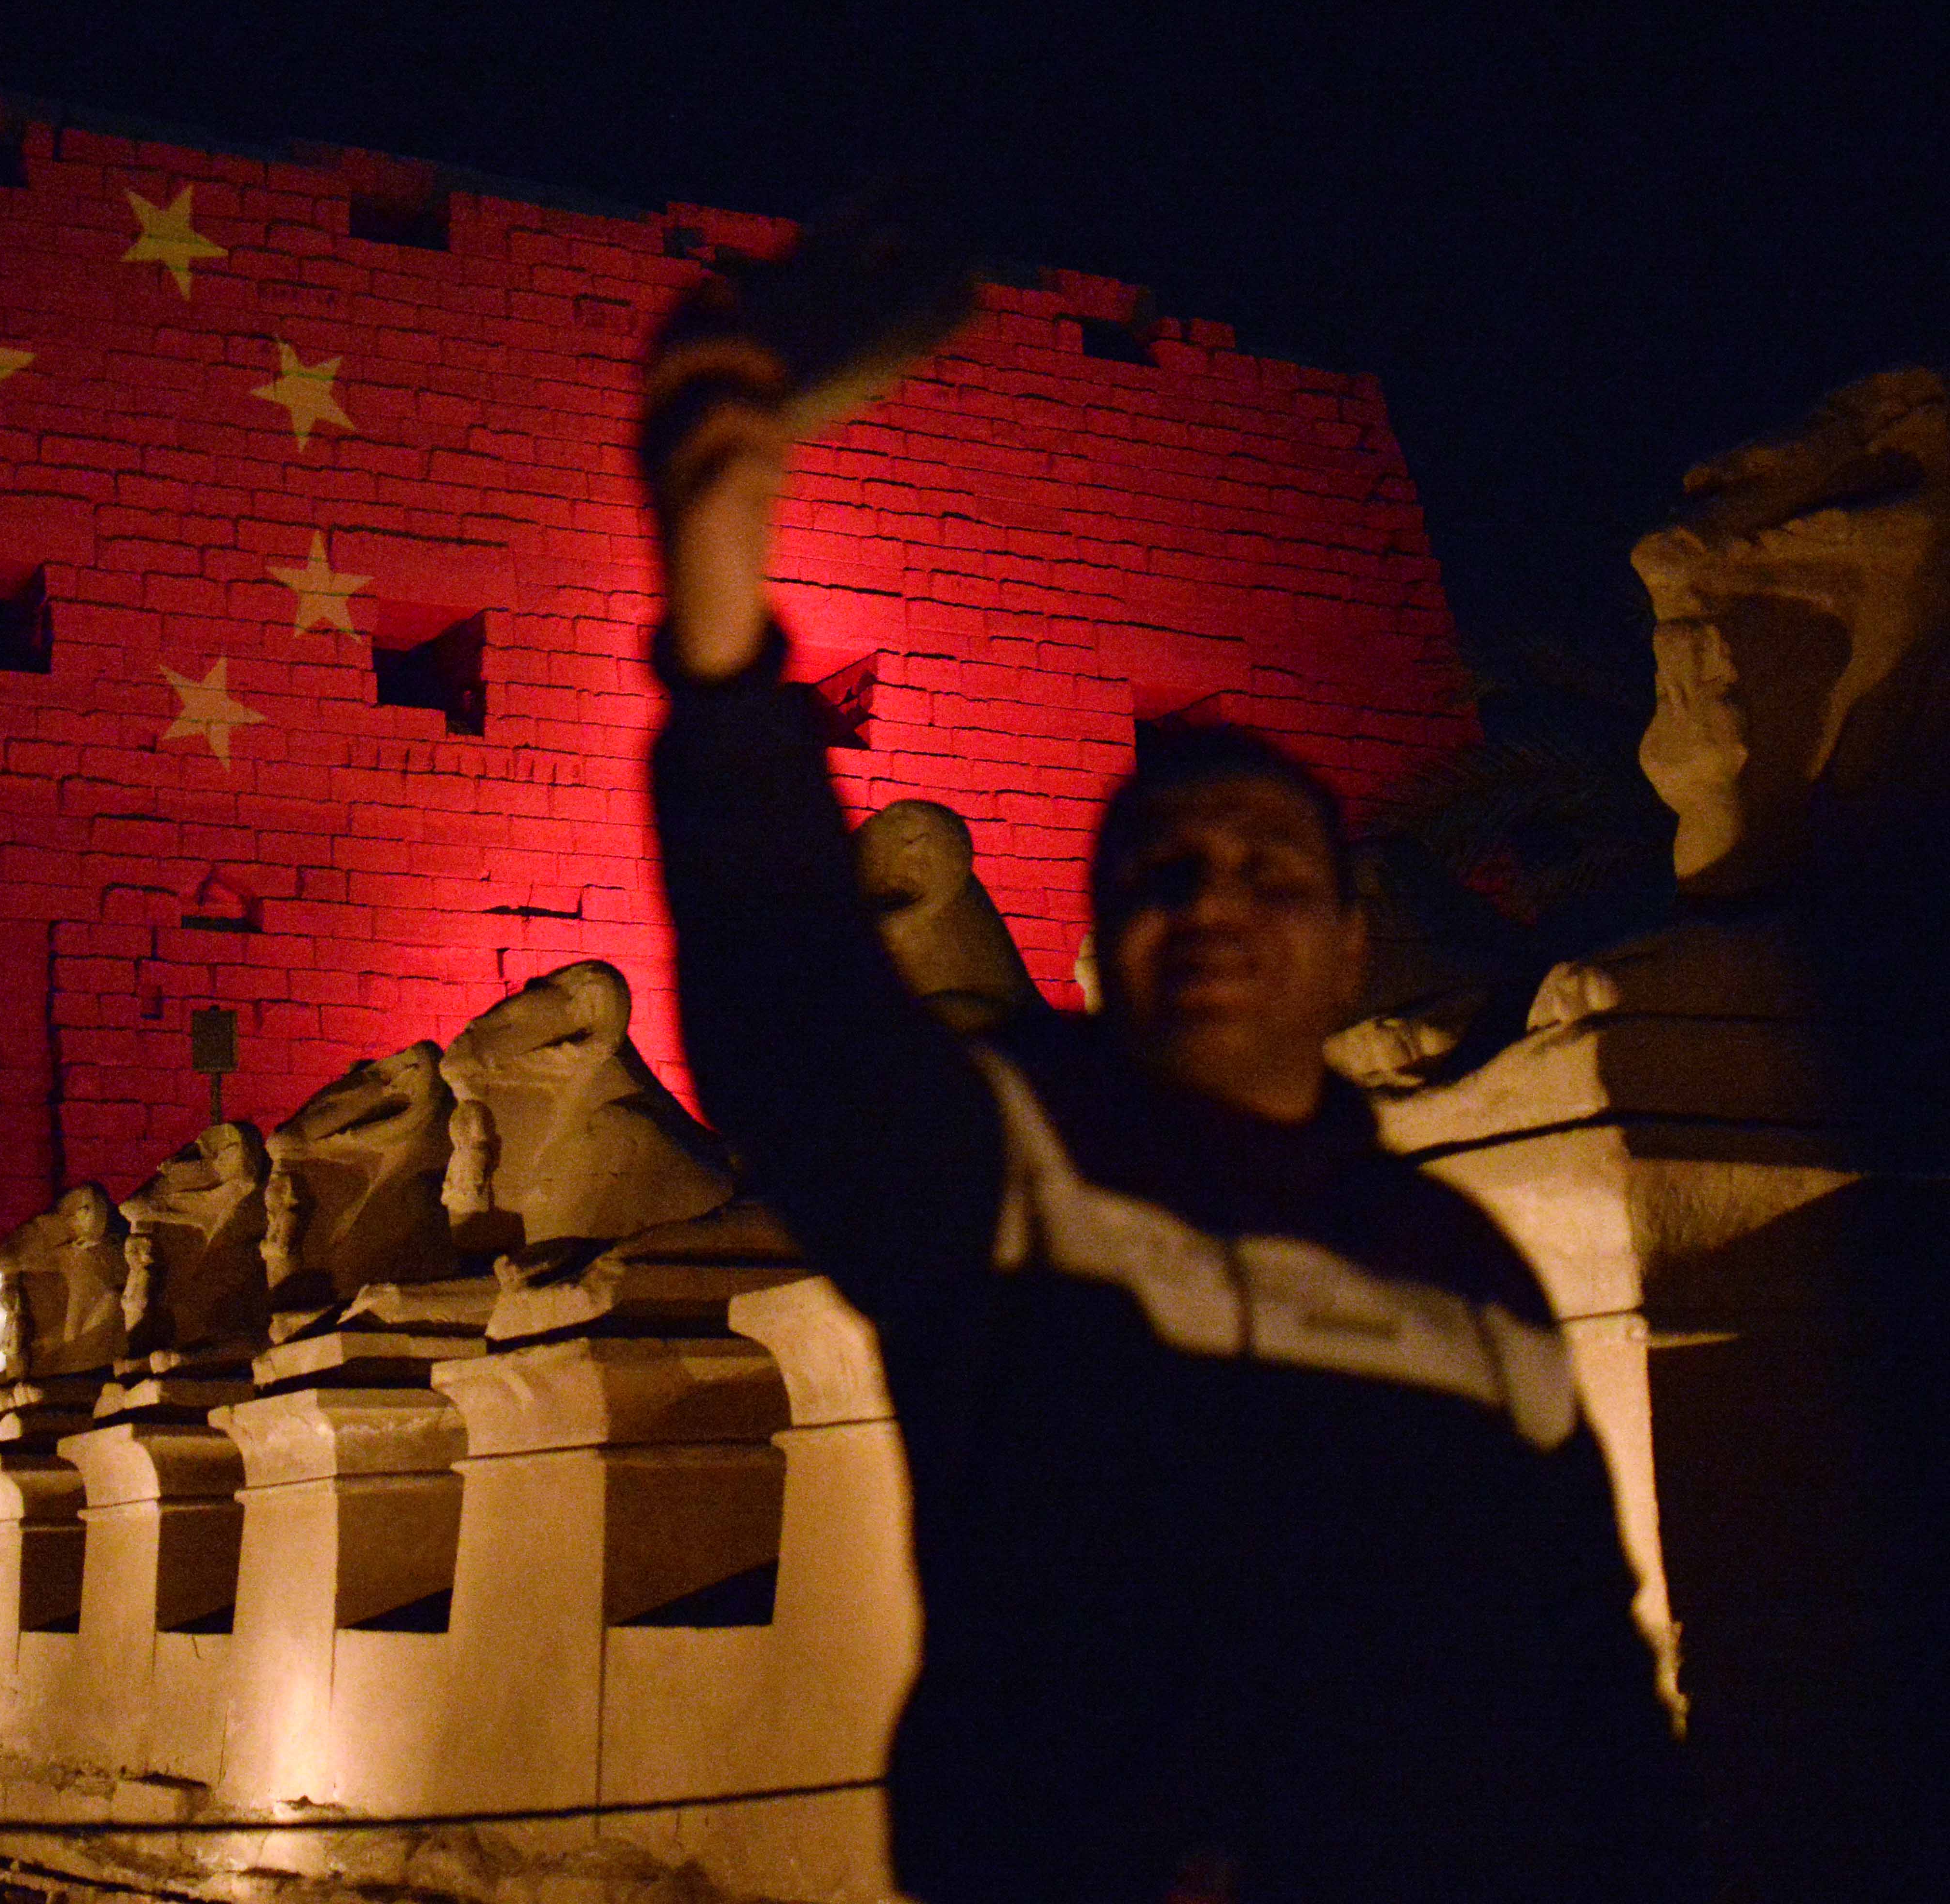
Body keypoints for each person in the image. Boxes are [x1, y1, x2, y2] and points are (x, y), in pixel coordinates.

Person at [641, 301, 1702, 1901]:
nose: (1215, 902)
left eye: (1271, 871)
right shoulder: (1015, 1173)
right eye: (1165, 871)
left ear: (1355, 943)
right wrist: (723, 615)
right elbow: (792, 1001)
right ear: (1096, 933)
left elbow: (1585, 1653)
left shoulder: (1462, 1262)